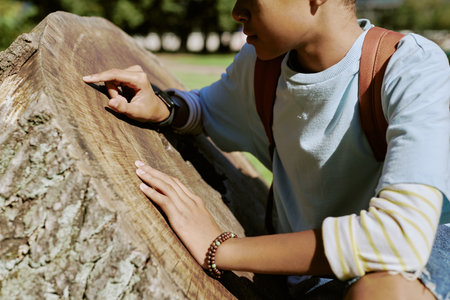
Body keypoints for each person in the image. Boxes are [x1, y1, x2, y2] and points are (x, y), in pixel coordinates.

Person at [83, 0, 450, 299]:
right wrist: (166, 108)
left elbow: (398, 238)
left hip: (415, 272)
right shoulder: (264, 67)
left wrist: (220, 248)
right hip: (312, 281)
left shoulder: (408, 67)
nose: (236, 12)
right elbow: (209, 109)